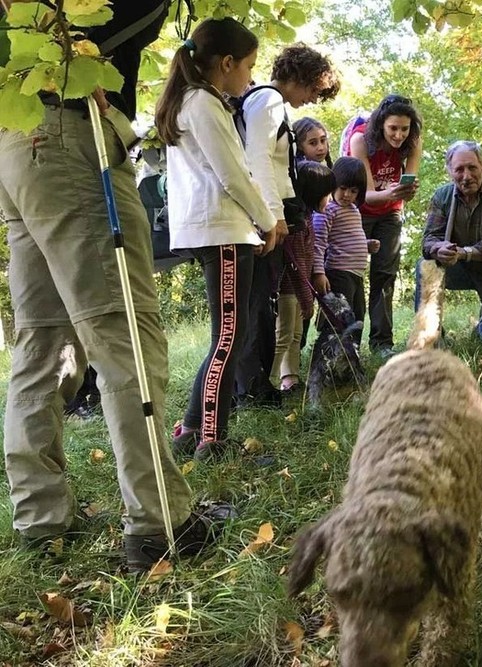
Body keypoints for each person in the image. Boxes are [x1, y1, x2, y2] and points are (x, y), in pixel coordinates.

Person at [0, 1, 231, 571]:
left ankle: (42, 520)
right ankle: (162, 523)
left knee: (44, 341)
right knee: (123, 330)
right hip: (73, 136)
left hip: (17, 141)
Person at [156, 19, 285, 459]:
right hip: (223, 231)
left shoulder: (190, 102)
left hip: (215, 230)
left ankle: (193, 429)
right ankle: (213, 439)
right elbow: (233, 175)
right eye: (249, 66)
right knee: (230, 337)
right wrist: (268, 220)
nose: (251, 76)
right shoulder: (203, 103)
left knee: (228, 334)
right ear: (227, 63)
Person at [234, 44, 339, 407]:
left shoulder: (268, 102)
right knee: (258, 306)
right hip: (263, 219)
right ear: (300, 78)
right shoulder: (268, 101)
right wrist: (273, 216)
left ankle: (255, 382)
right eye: (312, 90)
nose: (311, 99)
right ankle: (250, 386)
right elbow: (258, 157)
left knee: (264, 303)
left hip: (269, 215)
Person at [419, 141, 482, 347]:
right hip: (459, 267)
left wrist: (465, 252)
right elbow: (428, 240)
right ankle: (432, 338)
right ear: (450, 171)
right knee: (425, 266)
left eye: (472, 168)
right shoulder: (442, 197)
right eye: (459, 169)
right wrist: (438, 248)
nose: (466, 176)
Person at [344, 94, 423, 358]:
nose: (399, 135)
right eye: (393, 128)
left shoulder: (412, 142)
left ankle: (381, 344)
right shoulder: (360, 140)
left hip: (390, 213)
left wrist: (406, 191)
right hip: (356, 213)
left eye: (404, 128)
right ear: (381, 125)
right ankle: (347, 342)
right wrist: (392, 192)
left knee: (385, 276)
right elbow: (366, 195)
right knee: (350, 277)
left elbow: (407, 184)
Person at [272, 160, 336, 392]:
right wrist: (308, 299)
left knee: (296, 334)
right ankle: (269, 380)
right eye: (327, 194)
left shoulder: (307, 218)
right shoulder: (296, 227)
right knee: (284, 334)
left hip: (299, 290)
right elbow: (296, 266)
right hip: (289, 290)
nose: (329, 200)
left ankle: (291, 378)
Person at [312, 157, 380, 343]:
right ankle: (330, 358)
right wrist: (318, 272)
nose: (347, 195)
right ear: (333, 185)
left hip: (356, 274)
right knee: (340, 318)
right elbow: (318, 243)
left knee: (357, 317)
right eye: (342, 188)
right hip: (338, 272)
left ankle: (351, 359)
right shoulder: (327, 210)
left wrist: (366, 245)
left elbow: (347, 238)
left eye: (353, 191)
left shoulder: (353, 210)